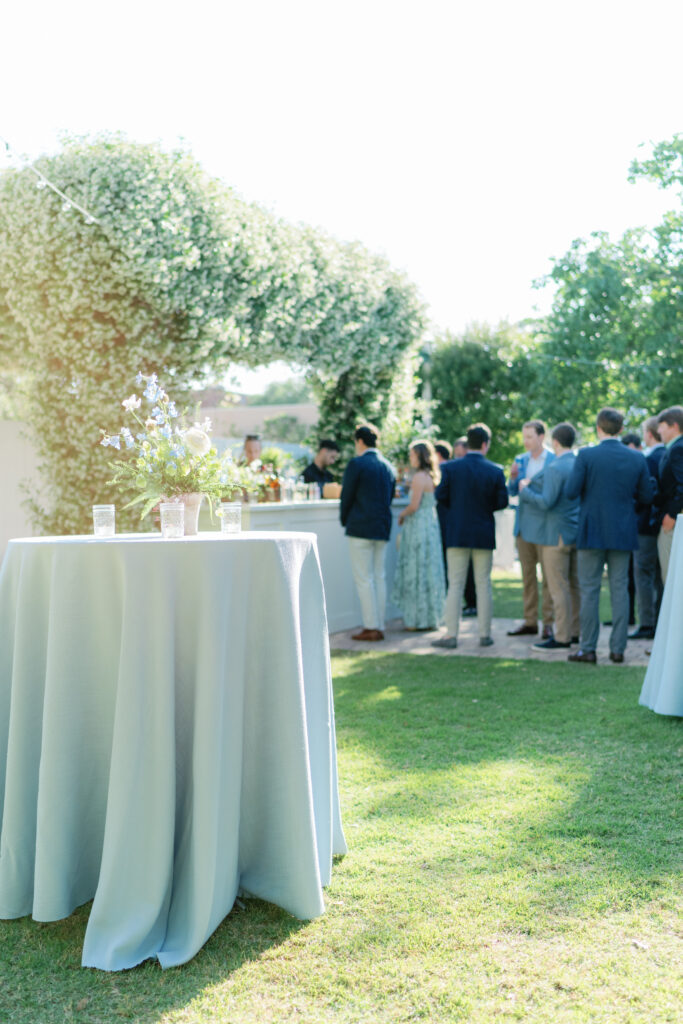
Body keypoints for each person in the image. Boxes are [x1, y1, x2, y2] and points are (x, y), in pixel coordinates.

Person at [566, 407, 654, 664]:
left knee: (590, 590)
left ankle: (588, 648)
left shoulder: (586, 455)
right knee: (620, 590)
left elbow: (571, 491)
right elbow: (646, 497)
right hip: (623, 531)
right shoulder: (636, 458)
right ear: (622, 430)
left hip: (591, 530)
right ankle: (618, 650)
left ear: (598, 427)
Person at [431, 423, 508, 649]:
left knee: (455, 584)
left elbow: (441, 496)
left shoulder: (451, 469)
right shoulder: (494, 470)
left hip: (457, 532)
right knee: (483, 584)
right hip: (483, 533)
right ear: (485, 444)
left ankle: (451, 635)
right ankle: (485, 634)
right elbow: (501, 501)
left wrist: (457, 511)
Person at [518, 423, 580, 650]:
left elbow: (546, 502)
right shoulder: (578, 463)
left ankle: (562, 636)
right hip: (574, 532)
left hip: (556, 535)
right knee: (574, 586)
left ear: (554, 441)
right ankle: (575, 631)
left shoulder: (555, 467)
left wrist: (526, 491)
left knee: (558, 587)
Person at [340, 423, 396, 642]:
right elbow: (389, 497)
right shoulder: (388, 466)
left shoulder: (357, 464)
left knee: (364, 578)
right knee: (379, 576)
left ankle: (371, 626)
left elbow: (348, 496)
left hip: (361, 527)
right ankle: (379, 623)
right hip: (381, 527)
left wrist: (345, 520)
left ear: (360, 441)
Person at [506, 420, 556, 640]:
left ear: (541, 437)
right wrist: (513, 478)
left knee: (548, 577)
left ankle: (548, 623)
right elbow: (512, 492)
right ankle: (529, 621)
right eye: (524, 437)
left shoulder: (554, 460)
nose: (525, 441)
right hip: (524, 527)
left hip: (545, 526)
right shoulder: (520, 460)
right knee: (527, 577)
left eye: (529, 436)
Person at [391, 441, 446, 630]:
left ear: (420, 456)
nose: (410, 458)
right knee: (428, 569)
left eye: (412, 455)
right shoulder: (429, 476)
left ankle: (416, 620)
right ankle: (429, 617)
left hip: (419, 526)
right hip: (429, 524)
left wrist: (401, 514)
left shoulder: (419, 477)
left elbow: (414, 506)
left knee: (417, 569)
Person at [629, 416, 665, 640]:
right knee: (660, 576)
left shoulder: (649, 459)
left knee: (643, 573)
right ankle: (660, 621)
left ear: (649, 434)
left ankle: (647, 623)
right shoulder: (666, 454)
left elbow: (645, 495)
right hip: (661, 525)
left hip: (646, 525)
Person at [654, 405, 683, 582]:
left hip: (675, 522)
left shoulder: (678, 449)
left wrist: (671, 514)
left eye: (661, 425)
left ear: (673, 426)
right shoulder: (674, 448)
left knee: (672, 579)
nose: (658, 430)